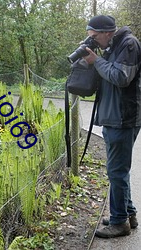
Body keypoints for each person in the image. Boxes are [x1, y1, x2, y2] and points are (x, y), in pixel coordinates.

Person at [83, 15, 141, 238]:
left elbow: (120, 77)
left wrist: (96, 61)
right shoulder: (112, 46)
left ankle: (119, 223)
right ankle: (128, 214)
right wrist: (93, 60)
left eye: (95, 37)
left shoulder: (129, 44)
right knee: (118, 171)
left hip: (123, 118)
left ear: (107, 32)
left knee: (116, 171)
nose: (94, 41)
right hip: (113, 117)